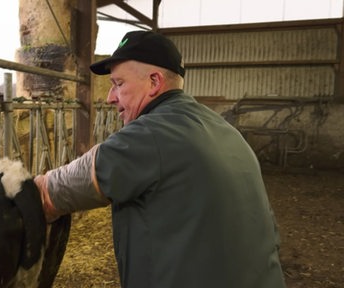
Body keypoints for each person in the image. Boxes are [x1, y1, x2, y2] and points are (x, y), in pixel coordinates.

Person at [34, 30, 286, 288]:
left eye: (118, 84)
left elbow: (50, 193)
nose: (110, 97)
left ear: (154, 82)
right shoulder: (225, 130)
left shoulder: (150, 135)